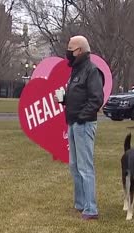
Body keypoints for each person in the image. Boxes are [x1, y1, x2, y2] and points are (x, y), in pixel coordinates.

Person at [55, 36, 104, 220]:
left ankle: (91, 208)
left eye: (71, 48)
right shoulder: (76, 70)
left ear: (81, 50)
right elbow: (77, 94)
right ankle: (80, 202)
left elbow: (96, 98)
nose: (68, 52)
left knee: (85, 167)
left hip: (83, 124)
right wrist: (65, 99)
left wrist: (82, 117)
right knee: (74, 165)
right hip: (73, 122)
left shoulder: (91, 71)